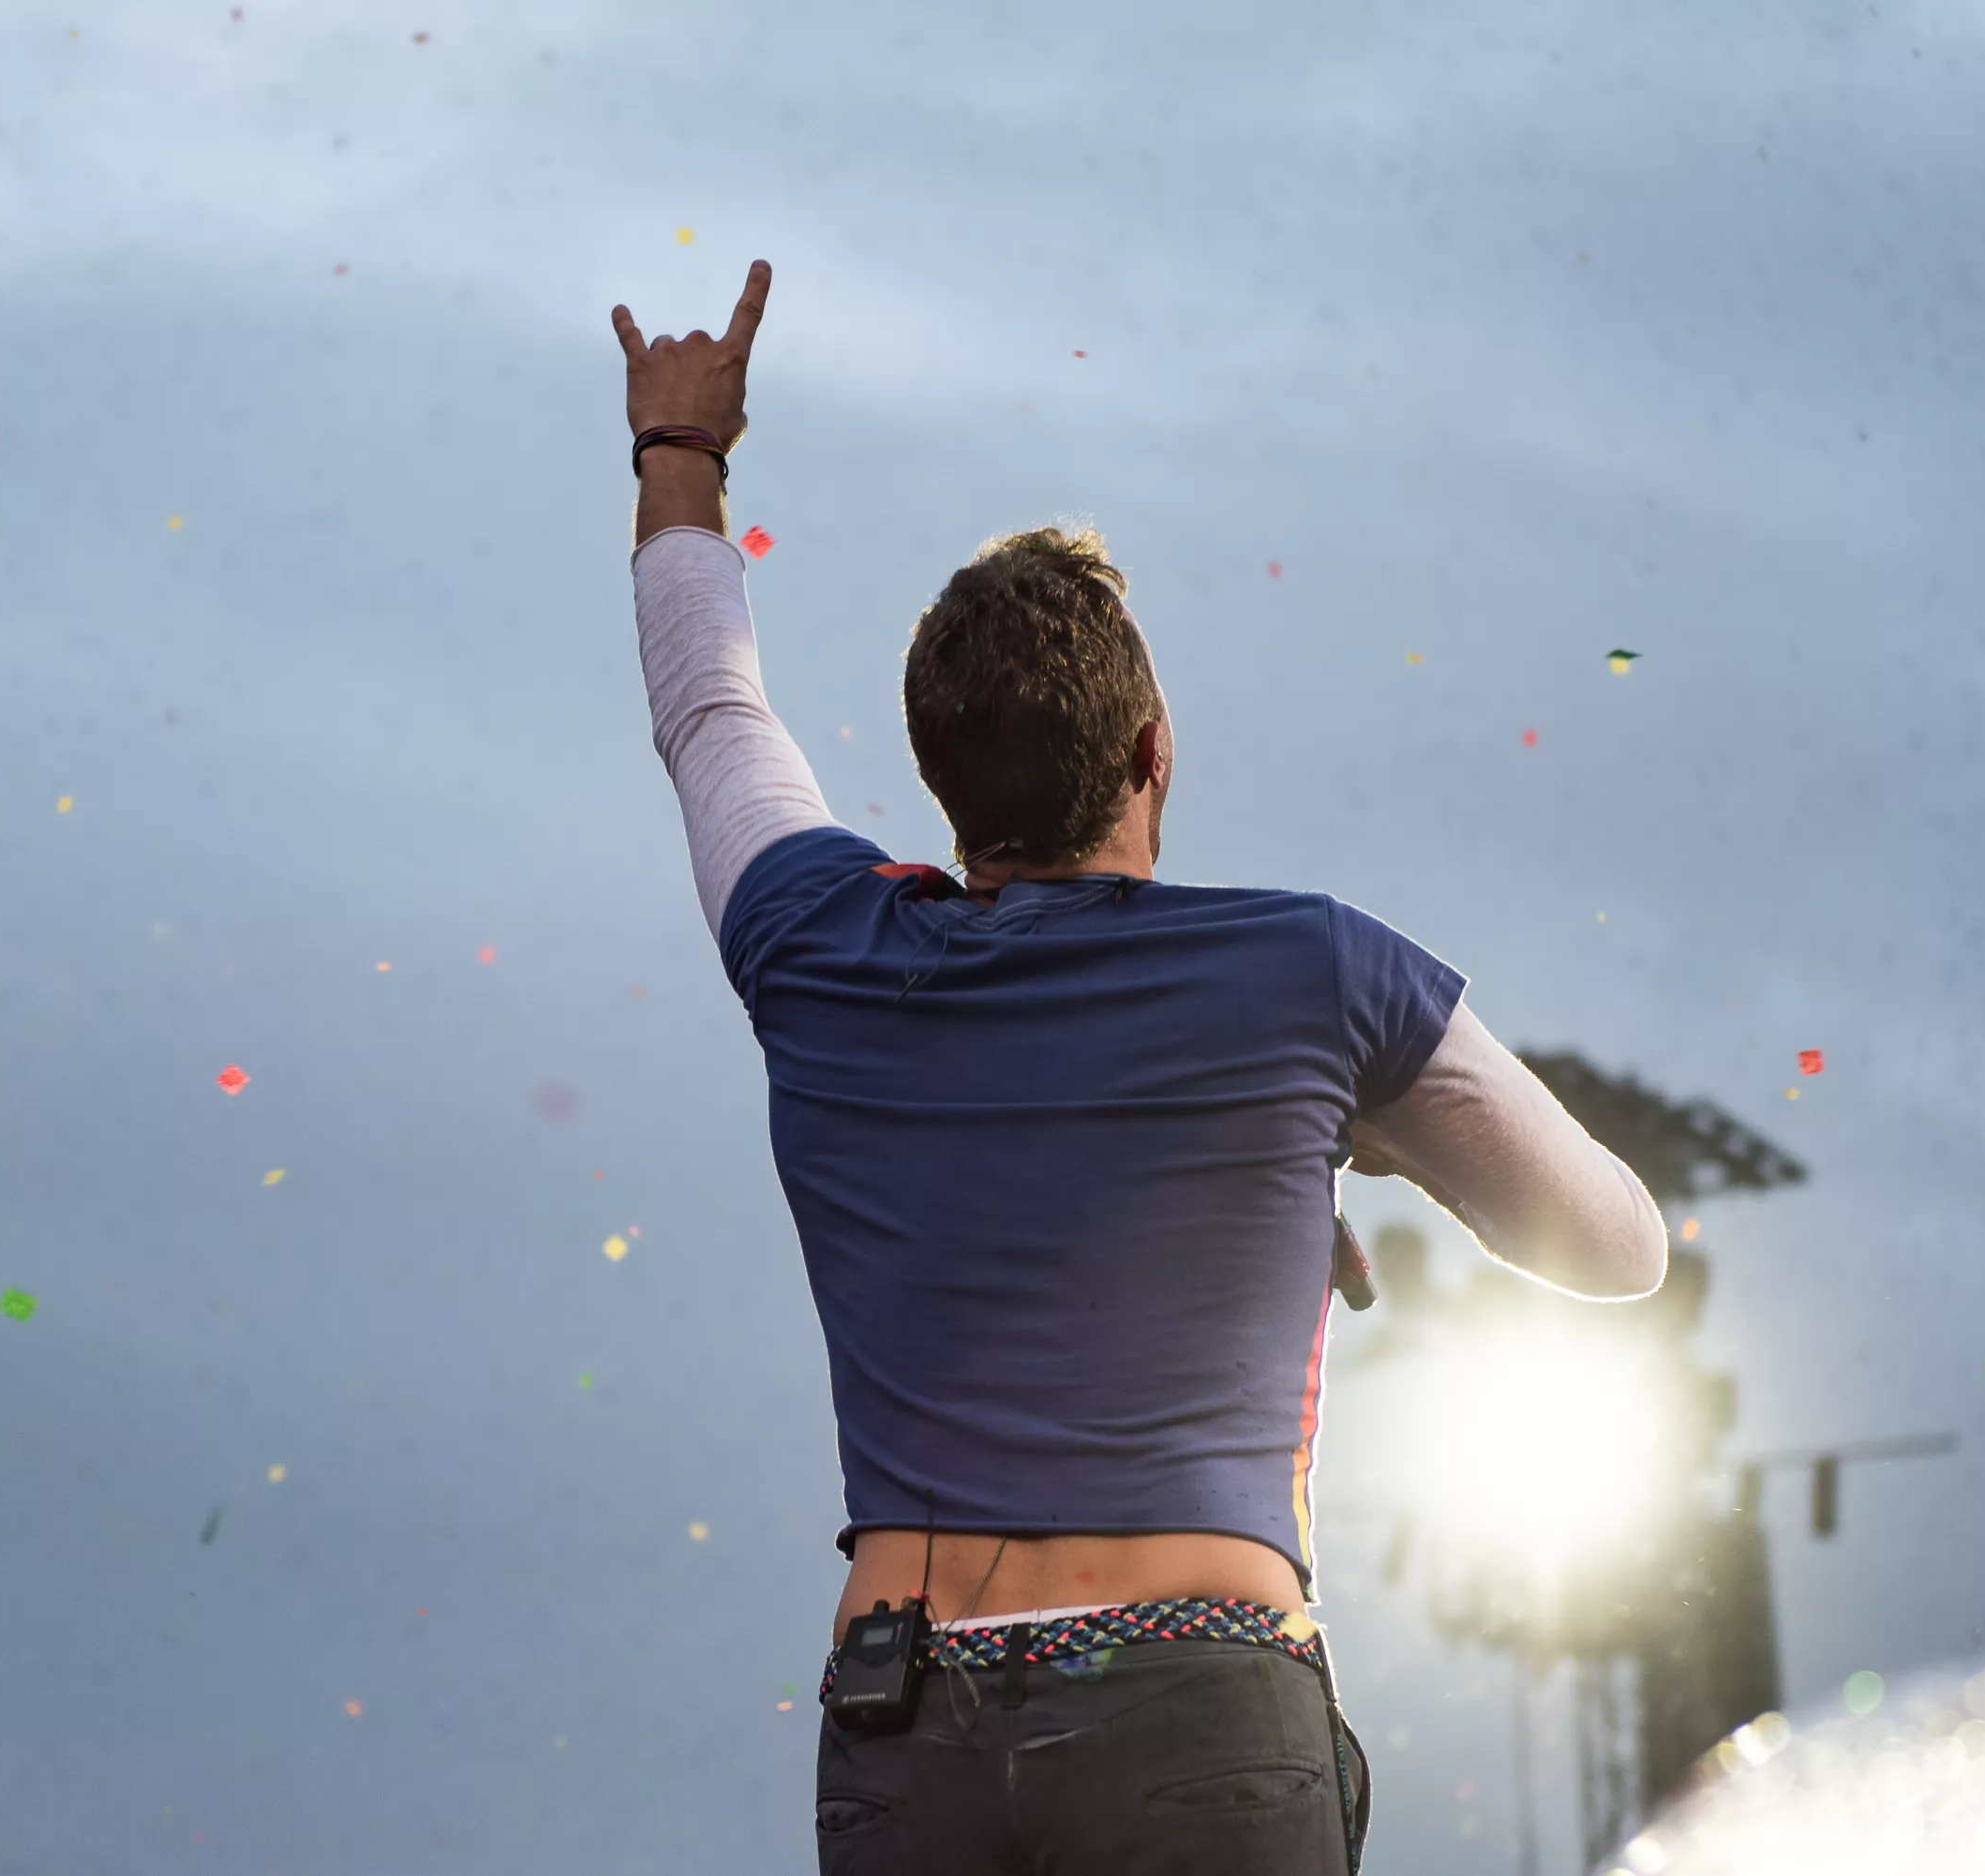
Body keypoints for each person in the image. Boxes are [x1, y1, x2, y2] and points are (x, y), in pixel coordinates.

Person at [612, 260, 1667, 1876]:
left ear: (937, 776)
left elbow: (708, 708)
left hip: (910, 1723)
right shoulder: (1315, 971)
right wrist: (1357, 1141)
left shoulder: (817, 943)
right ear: (1155, 749)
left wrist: (679, 447)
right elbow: (1617, 1247)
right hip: (1201, 1706)